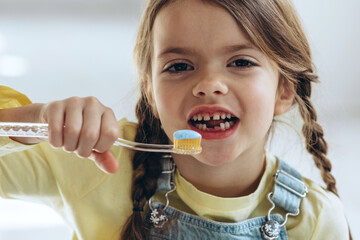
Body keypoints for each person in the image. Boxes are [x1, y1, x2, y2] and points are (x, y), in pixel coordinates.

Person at [0, 0, 352, 239]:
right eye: (179, 66)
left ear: (284, 90)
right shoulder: (97, 163)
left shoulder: (318, 220)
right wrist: (33, 122)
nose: (209, 85)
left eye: (241, 62)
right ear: (151, 92)